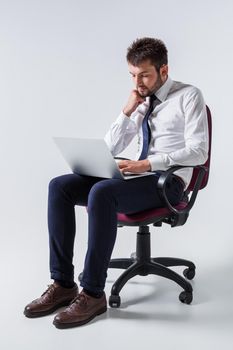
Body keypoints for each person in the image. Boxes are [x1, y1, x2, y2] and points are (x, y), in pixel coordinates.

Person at [24, 37, 209, 328]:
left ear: (164, 70)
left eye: (144, 74)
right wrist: (127, 110)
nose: (138, 82)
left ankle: (93, 293)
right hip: (136, 177)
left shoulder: (189, 96)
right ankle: (62, 283)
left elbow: (199, 152)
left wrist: (147, 164)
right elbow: (111, 147)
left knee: (102, 192)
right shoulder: (140, 100)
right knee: (59, 187)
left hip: (167, 182)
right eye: (133, 75)